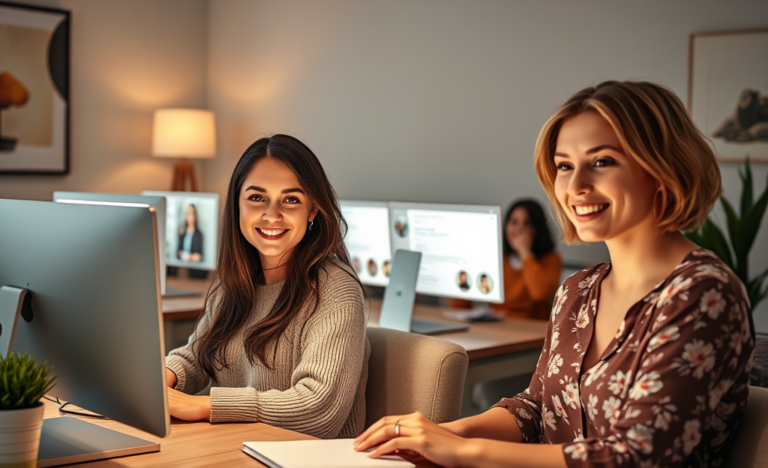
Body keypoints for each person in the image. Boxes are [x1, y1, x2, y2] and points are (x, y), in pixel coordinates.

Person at [355, 81, 755, 467]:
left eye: (602, 162)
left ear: (662, 168)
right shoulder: (577, 291)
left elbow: (638, 457)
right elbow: (534, 410)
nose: (576, 185)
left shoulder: (703, 294)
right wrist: (444, 434)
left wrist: (463, 453)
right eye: (565, 166)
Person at [164, 134, 370, 439]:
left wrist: (207, 406)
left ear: (313, 210)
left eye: (290, 199)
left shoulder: (335, 289)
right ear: (237, 204)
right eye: (257, 197)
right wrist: (158, 381)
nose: (272, 215)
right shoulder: (233, 281)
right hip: (235, 449)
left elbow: (319, 409)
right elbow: (197, 355)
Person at [449, 199, 562, 320]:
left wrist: (525, 252)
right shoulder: (498, 259)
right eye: (514, 222)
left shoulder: (551, 260)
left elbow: (540, 294)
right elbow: (458, 304)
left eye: (527, 223)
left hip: (531, 327)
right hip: (498, 325)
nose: (519, 229)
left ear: (537, 229)